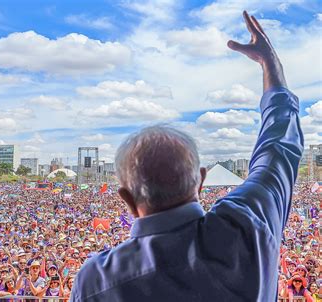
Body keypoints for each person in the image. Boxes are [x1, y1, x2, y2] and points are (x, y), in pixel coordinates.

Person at [71, 11, 304, 302]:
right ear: (200, 182)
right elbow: (278, 149)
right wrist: (271, 65)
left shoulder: (97, 280)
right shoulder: (246, 227)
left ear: (127, 199)